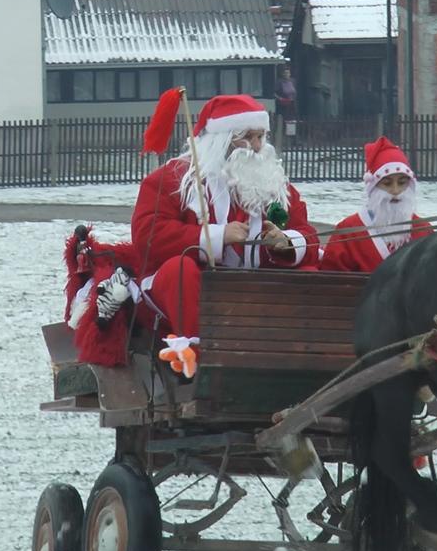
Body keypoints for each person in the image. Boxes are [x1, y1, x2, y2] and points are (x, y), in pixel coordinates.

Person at [131, 94, 319, 376]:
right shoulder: (173, 180)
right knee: (179, 269)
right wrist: (217, 236)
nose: (257, 146)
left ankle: (305, 354)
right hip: (192, 287)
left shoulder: (275, 187)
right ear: (222, 140)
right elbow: (148, 236)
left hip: (255, 288)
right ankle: (196, 355)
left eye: (261, 137)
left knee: (310, 273)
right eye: (248, 138)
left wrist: (287, 242)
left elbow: (308, 235)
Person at [320, 136, 429, 272]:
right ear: (373, 188)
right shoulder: (348, 231)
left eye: (402, 183)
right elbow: (331, 277)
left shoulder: (423, 230)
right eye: (387, 183)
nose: (395, 191)